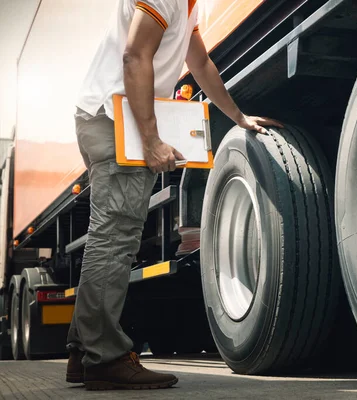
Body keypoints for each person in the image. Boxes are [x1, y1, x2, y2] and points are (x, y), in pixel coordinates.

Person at [65, 0, 281, 390]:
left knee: (110, 238)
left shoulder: (190, 7)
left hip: (113, 118)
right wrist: (151, 139)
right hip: (115, 120)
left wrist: (237, 117)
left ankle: (84, 353)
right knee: (115, 239)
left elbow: (201, 65)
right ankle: (105, 358)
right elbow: (134, 56)